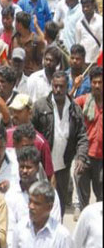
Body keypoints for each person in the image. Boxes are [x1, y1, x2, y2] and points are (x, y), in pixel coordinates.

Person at [31, 70, 89, 216]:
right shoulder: (40, 106)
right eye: (55, 86)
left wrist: (81, 157)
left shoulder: (75, 109)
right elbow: (31, 133)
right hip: (42, 166)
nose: (58, 90)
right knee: (39, 202)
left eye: (61, 86)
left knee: (59, 205)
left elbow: (82, 135)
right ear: (52, 85)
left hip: (63, 167)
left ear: (66, 86)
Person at [5, 145, 62, 248]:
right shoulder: (11, 194)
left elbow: (55, 225)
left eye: (29, 167)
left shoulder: (50, 193)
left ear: (37, 168)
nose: (24, 171)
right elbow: (10, 230)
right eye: (22, 167)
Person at [10, 180, 74, 248]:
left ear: (49, 207)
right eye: (30, 201)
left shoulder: (61, 236)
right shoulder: (20, 228)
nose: (31, 206)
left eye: (36, 203)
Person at [74, 65, 102, 212]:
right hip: (85, 157)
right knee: (84, 199)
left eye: (100, 82)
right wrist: (75, 87)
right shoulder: (84, 101)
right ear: (90, 83)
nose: (97, 85)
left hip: (101, 159)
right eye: (94, 82)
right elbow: (66, 105)